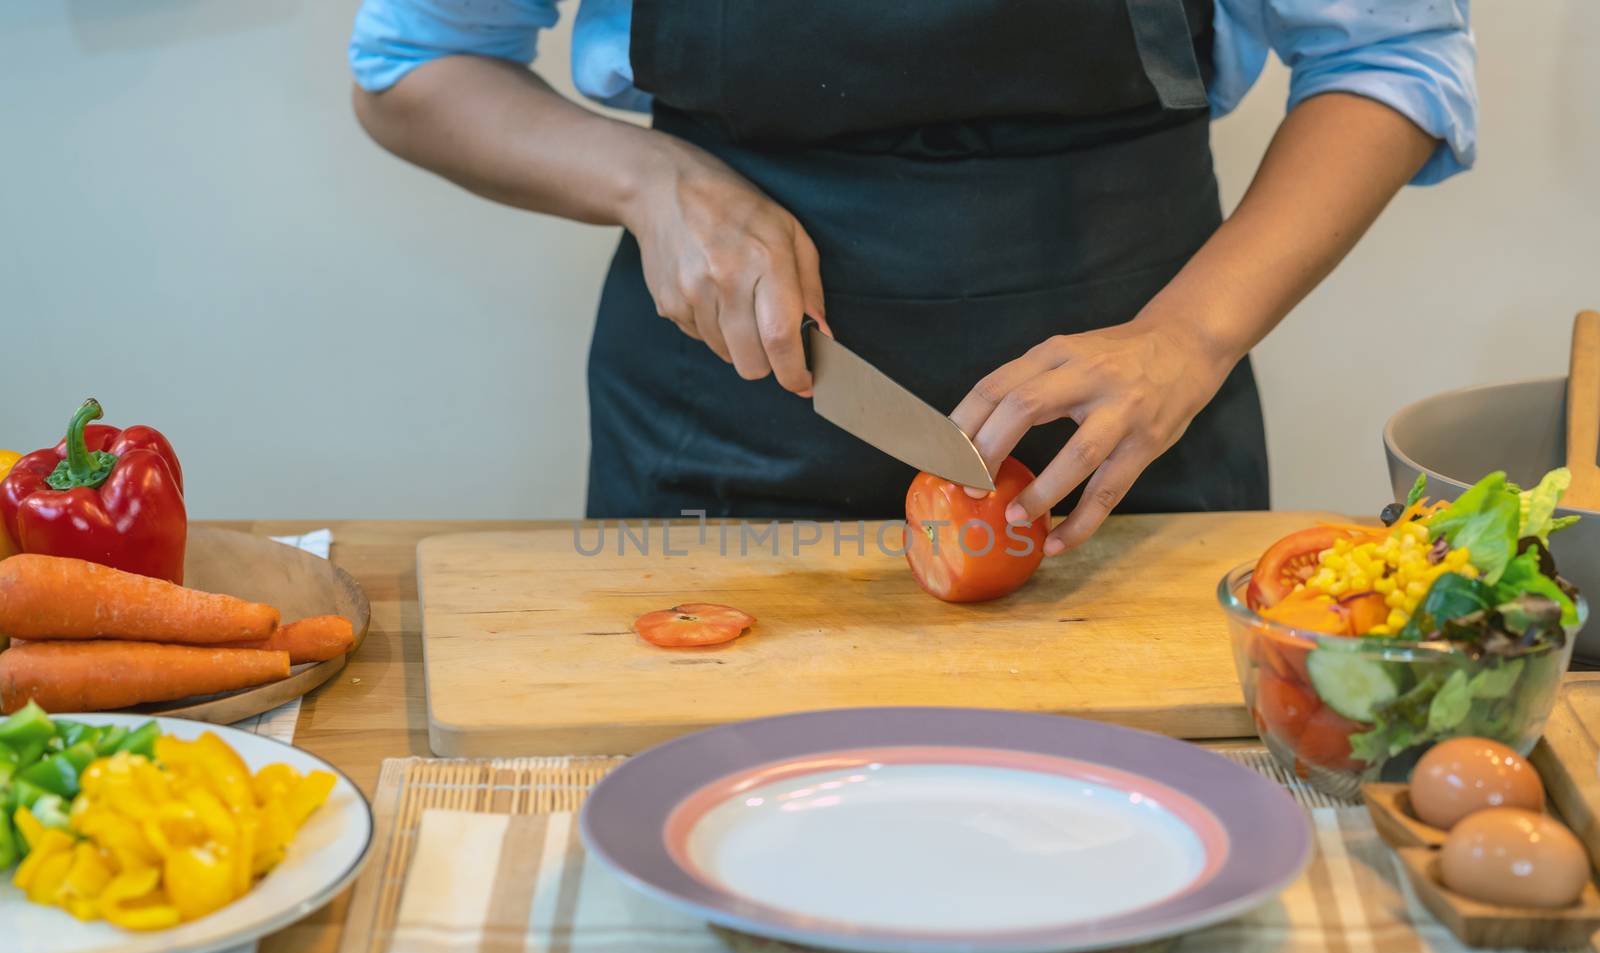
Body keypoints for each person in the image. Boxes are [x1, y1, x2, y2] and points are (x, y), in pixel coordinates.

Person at [349, 0, 1475, 554]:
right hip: (718, 446)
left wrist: (1189, 336)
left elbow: (1389, 57)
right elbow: (411, 66)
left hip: (1124, 460)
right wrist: (647, 181)